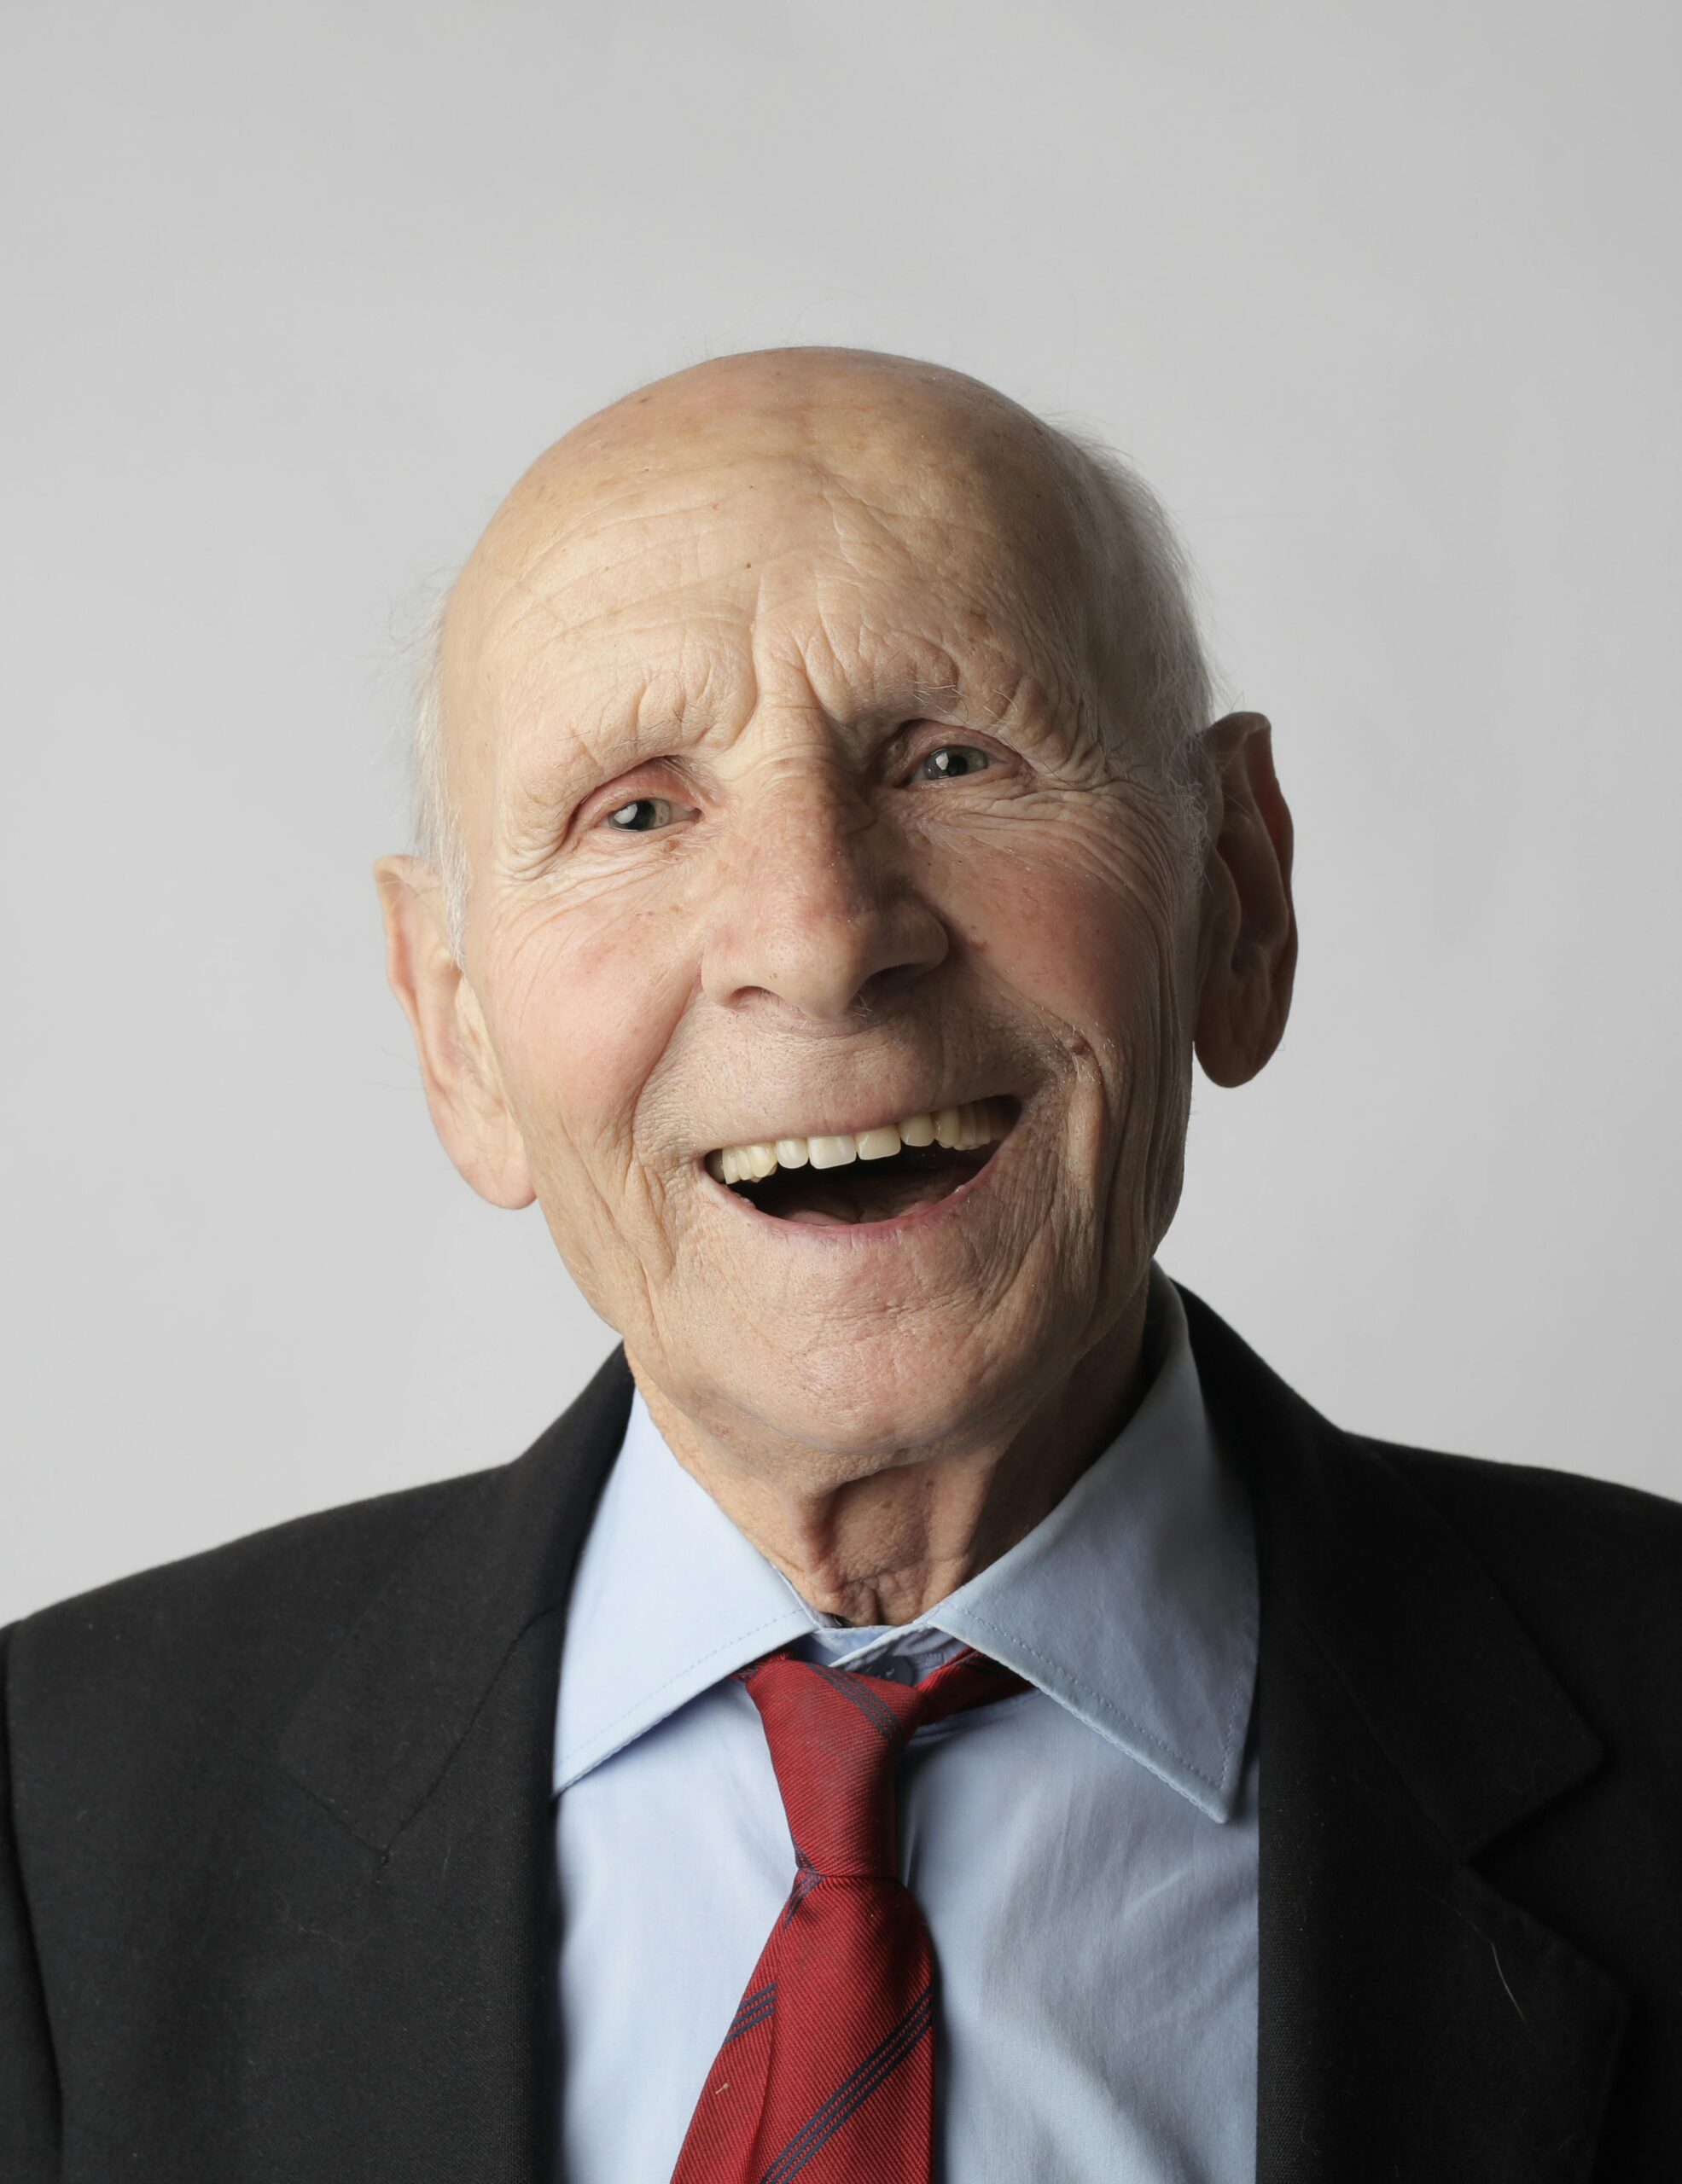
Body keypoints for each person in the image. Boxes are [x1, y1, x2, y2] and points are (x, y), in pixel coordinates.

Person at [3, 348, 1677, 2183]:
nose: (815, 938)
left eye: (952, 756)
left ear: (1237, 896)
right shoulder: (50, 1813)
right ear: (456, 1028)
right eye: (633, 811)